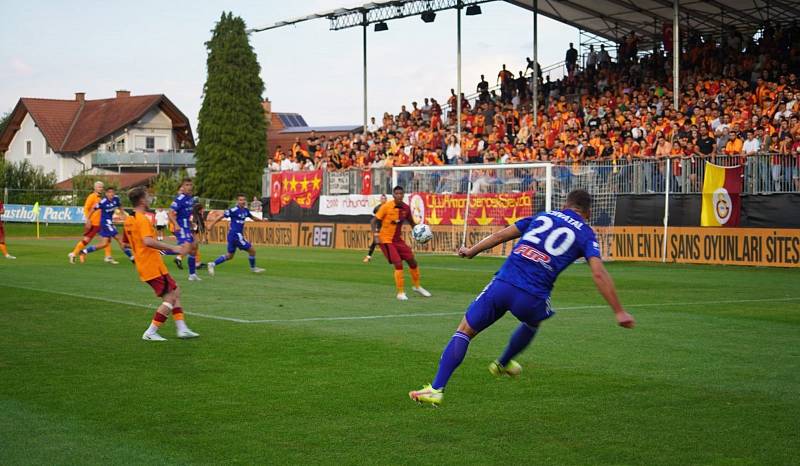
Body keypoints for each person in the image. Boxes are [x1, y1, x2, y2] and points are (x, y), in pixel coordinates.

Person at [409, 190, 635, 406]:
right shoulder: (585, 233)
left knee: (465, 331)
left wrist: (472, 251)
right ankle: (503, 362)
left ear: (565, 205)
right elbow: (598, 272)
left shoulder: (542, 216)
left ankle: (436, 389)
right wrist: (618, 311)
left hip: (503, 283)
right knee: (533, 321)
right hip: (532, 296)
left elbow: (501, 235)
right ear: (587, 213)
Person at [123, 187, 199, 341]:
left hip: (148, 263)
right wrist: (173, 248)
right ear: (143, 200)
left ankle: (182, 328)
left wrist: (141, 253)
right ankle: (151, 332)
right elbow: (148, 241)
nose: (151, 198)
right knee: (170, 298)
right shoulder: (142, 219)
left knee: (175, 291)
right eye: (148, 196)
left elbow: (125, 243)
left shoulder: (130, 219)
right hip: (151, 265)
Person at [370, 186, 431, 301]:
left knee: (412, 261)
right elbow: (373, 221)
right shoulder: (386, 207)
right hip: (386, 240)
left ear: (403, 195)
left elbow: (412, 223)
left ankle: (417, 286)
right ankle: (400, 293)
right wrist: (376, 235)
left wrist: (420, 234)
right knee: (398, 263)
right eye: (396, 193)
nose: (398, 195)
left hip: (397, 240)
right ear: (393, 195)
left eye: (400, 194)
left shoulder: (406, 208)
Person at [206, 194, 267, 275]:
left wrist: (262, 220)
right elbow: (221, 216)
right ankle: (253, 268)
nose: (242, 201)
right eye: (241, 200)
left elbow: (253, 218)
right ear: (238, 201)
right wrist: (211, 225)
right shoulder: (233, 210)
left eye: (244, 200)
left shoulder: (246, 210)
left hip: (233, 235)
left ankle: (212, 264)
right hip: (236, 235)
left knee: (230, 255)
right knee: (252, 250)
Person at [79, 187, 134, 263]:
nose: (111, 194)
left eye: (113, 192)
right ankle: (132, 257)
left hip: (109, 223)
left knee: (104, 244)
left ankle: (84, 251)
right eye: (109, 192)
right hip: (105, 223)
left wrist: (122, 213)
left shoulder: (116, 198)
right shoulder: (103, 202)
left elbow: (120, 205)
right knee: (120, 239)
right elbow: (93, 209)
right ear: (106, 194)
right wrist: (88, 219)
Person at [69, 181, 114, 264]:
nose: (101, 188)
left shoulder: (103, 198)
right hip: (94, 223)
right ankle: (74, 253)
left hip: (102, 223)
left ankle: (108, 257)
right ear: (95, 188)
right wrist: (88, 219)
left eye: (102, 187)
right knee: (86, 240)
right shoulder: (91, 197)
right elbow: (86, 208)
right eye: (99, 187)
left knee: (107, 239)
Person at [169, 178, 201, 281]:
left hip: (188, 224)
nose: (189, 187)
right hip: (181, 225)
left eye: (190, 185)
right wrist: (176, 224)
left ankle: (192, 275)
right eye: (186, 185)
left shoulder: (190, 198)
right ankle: (173, 256)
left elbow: (188, 213)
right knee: (187, 246)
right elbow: (170, 213)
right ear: (182, 187)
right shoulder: (180, 199)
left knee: (194, 247)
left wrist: (191, 223)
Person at [363, 194, 388, 263]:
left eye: (385, 198)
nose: (383, 200)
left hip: (388, 228)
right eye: (382, 198)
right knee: (374, 242)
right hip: (379, 227)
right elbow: (375, 214)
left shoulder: (388, 207)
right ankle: (368, 257)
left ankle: (394, 256)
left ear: (386, 200)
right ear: (380, 200)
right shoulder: (377, 207)